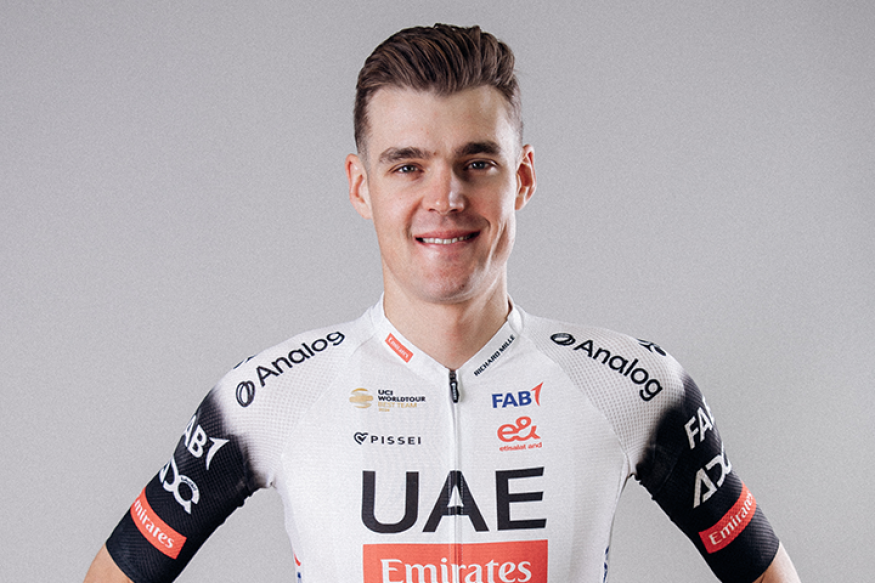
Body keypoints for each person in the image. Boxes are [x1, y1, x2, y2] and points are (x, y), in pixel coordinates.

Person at [85, 24, 800, 583]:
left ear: (522, 178)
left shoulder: (631, 387)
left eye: (476, 162)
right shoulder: (269, 397)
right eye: (407, 165)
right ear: (360, 185)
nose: (445, 198)